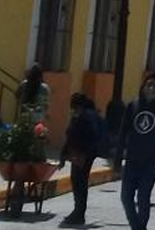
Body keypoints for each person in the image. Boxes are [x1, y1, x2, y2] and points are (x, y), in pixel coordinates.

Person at [118, 74, 155, 230]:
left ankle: (140, 227)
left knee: (143, 197)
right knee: (125, 197)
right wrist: (117, 158)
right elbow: (123, 133)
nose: (151, 88)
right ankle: (137, 227)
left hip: (151, 162)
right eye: (149, 85)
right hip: (132, 161)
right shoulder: (132, 106)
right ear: (143, 87)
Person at [60, 93, 101, 226]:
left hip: (83, 155)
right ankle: (78, 211)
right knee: (78, 182)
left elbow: (89, 135)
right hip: (79, 154)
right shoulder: (82, 115)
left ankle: (79, 212)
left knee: (80, 183)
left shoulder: (87, 116)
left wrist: (84, 153)